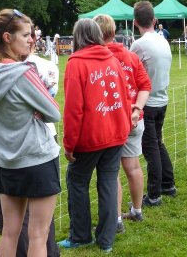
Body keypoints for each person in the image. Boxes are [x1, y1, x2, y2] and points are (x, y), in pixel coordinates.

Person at [0, 9, 61, 257]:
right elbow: (54, 112)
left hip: (7, 160)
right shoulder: (24, 72)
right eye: (25, 35)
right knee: (38, 234)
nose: (31, 39)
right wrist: (34, 110)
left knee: (10, 233)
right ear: (7, 37)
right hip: (38, 159)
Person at [59, 18, 131, 253]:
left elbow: (73, 109)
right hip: (115, 133)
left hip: (91, 137)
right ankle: (106, 239)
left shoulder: (76, 64)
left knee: (77, 181)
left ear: (77, 36)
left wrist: (69, 144)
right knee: (108, 182)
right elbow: (125, 96)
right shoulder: (112, 59)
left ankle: (81, 235)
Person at [93, 15, 151, 232]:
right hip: (135, 120)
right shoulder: (130, 56)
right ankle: (137, 210)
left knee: (111, 171)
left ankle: (116, 218)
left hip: (111, 121)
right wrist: (138, 108)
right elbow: (145, 85)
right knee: (133, 166)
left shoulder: (98, 58)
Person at [131, 1, 177, 207]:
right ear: (155, 20)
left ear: (134, 22)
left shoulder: (139, 45)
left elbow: (132, 72)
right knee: (157, 143)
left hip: (147, 102)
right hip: (162, 99)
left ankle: (154, 194)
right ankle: (168, 185)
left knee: (151, 149)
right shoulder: (163, 40)